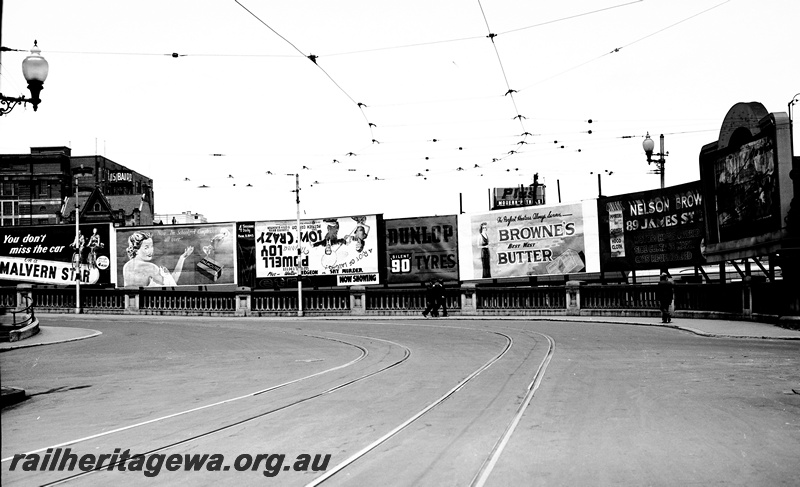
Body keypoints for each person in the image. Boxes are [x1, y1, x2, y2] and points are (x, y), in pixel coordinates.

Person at [123, 231, 193, 287]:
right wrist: (167, 275)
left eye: (151, 246)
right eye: (146, 247)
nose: (151, 251)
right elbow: (172, 285)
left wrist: (182, 258)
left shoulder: (126, 266)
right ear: (136, 250)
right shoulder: (150, 267)